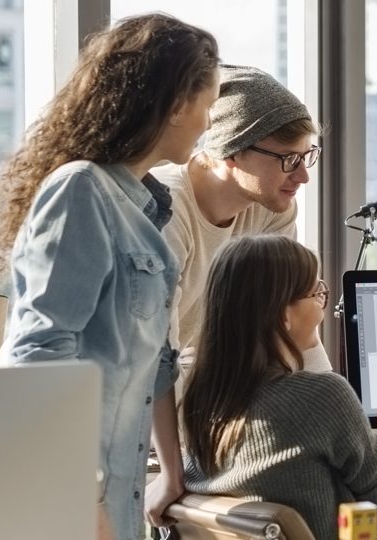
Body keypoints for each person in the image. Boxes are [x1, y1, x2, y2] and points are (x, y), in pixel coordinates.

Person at [0, 14, 219, 540]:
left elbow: (157, 364)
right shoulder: (80, 191)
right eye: (207, 105)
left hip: (117, 500)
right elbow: (38, 355)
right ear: (176, 104)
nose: (208, 123)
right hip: (67, 506)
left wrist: (172, 472)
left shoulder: (148, 208)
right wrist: (75, 496)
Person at [145, 64, 326, 527]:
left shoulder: (273, 209)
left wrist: (336, 419)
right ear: (230, 152)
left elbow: (294, 321)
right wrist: (171, 471)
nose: (302, 176)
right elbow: (155, 355)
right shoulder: (166, 211)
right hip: (130, 407)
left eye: (307, 156)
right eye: (288, 159)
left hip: (201, 401)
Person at [180, 235, 377, 540]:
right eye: (317, 294)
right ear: (283, 315)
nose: (322, 307)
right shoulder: (321, 397)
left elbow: (286, 491)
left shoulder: (201, 401)